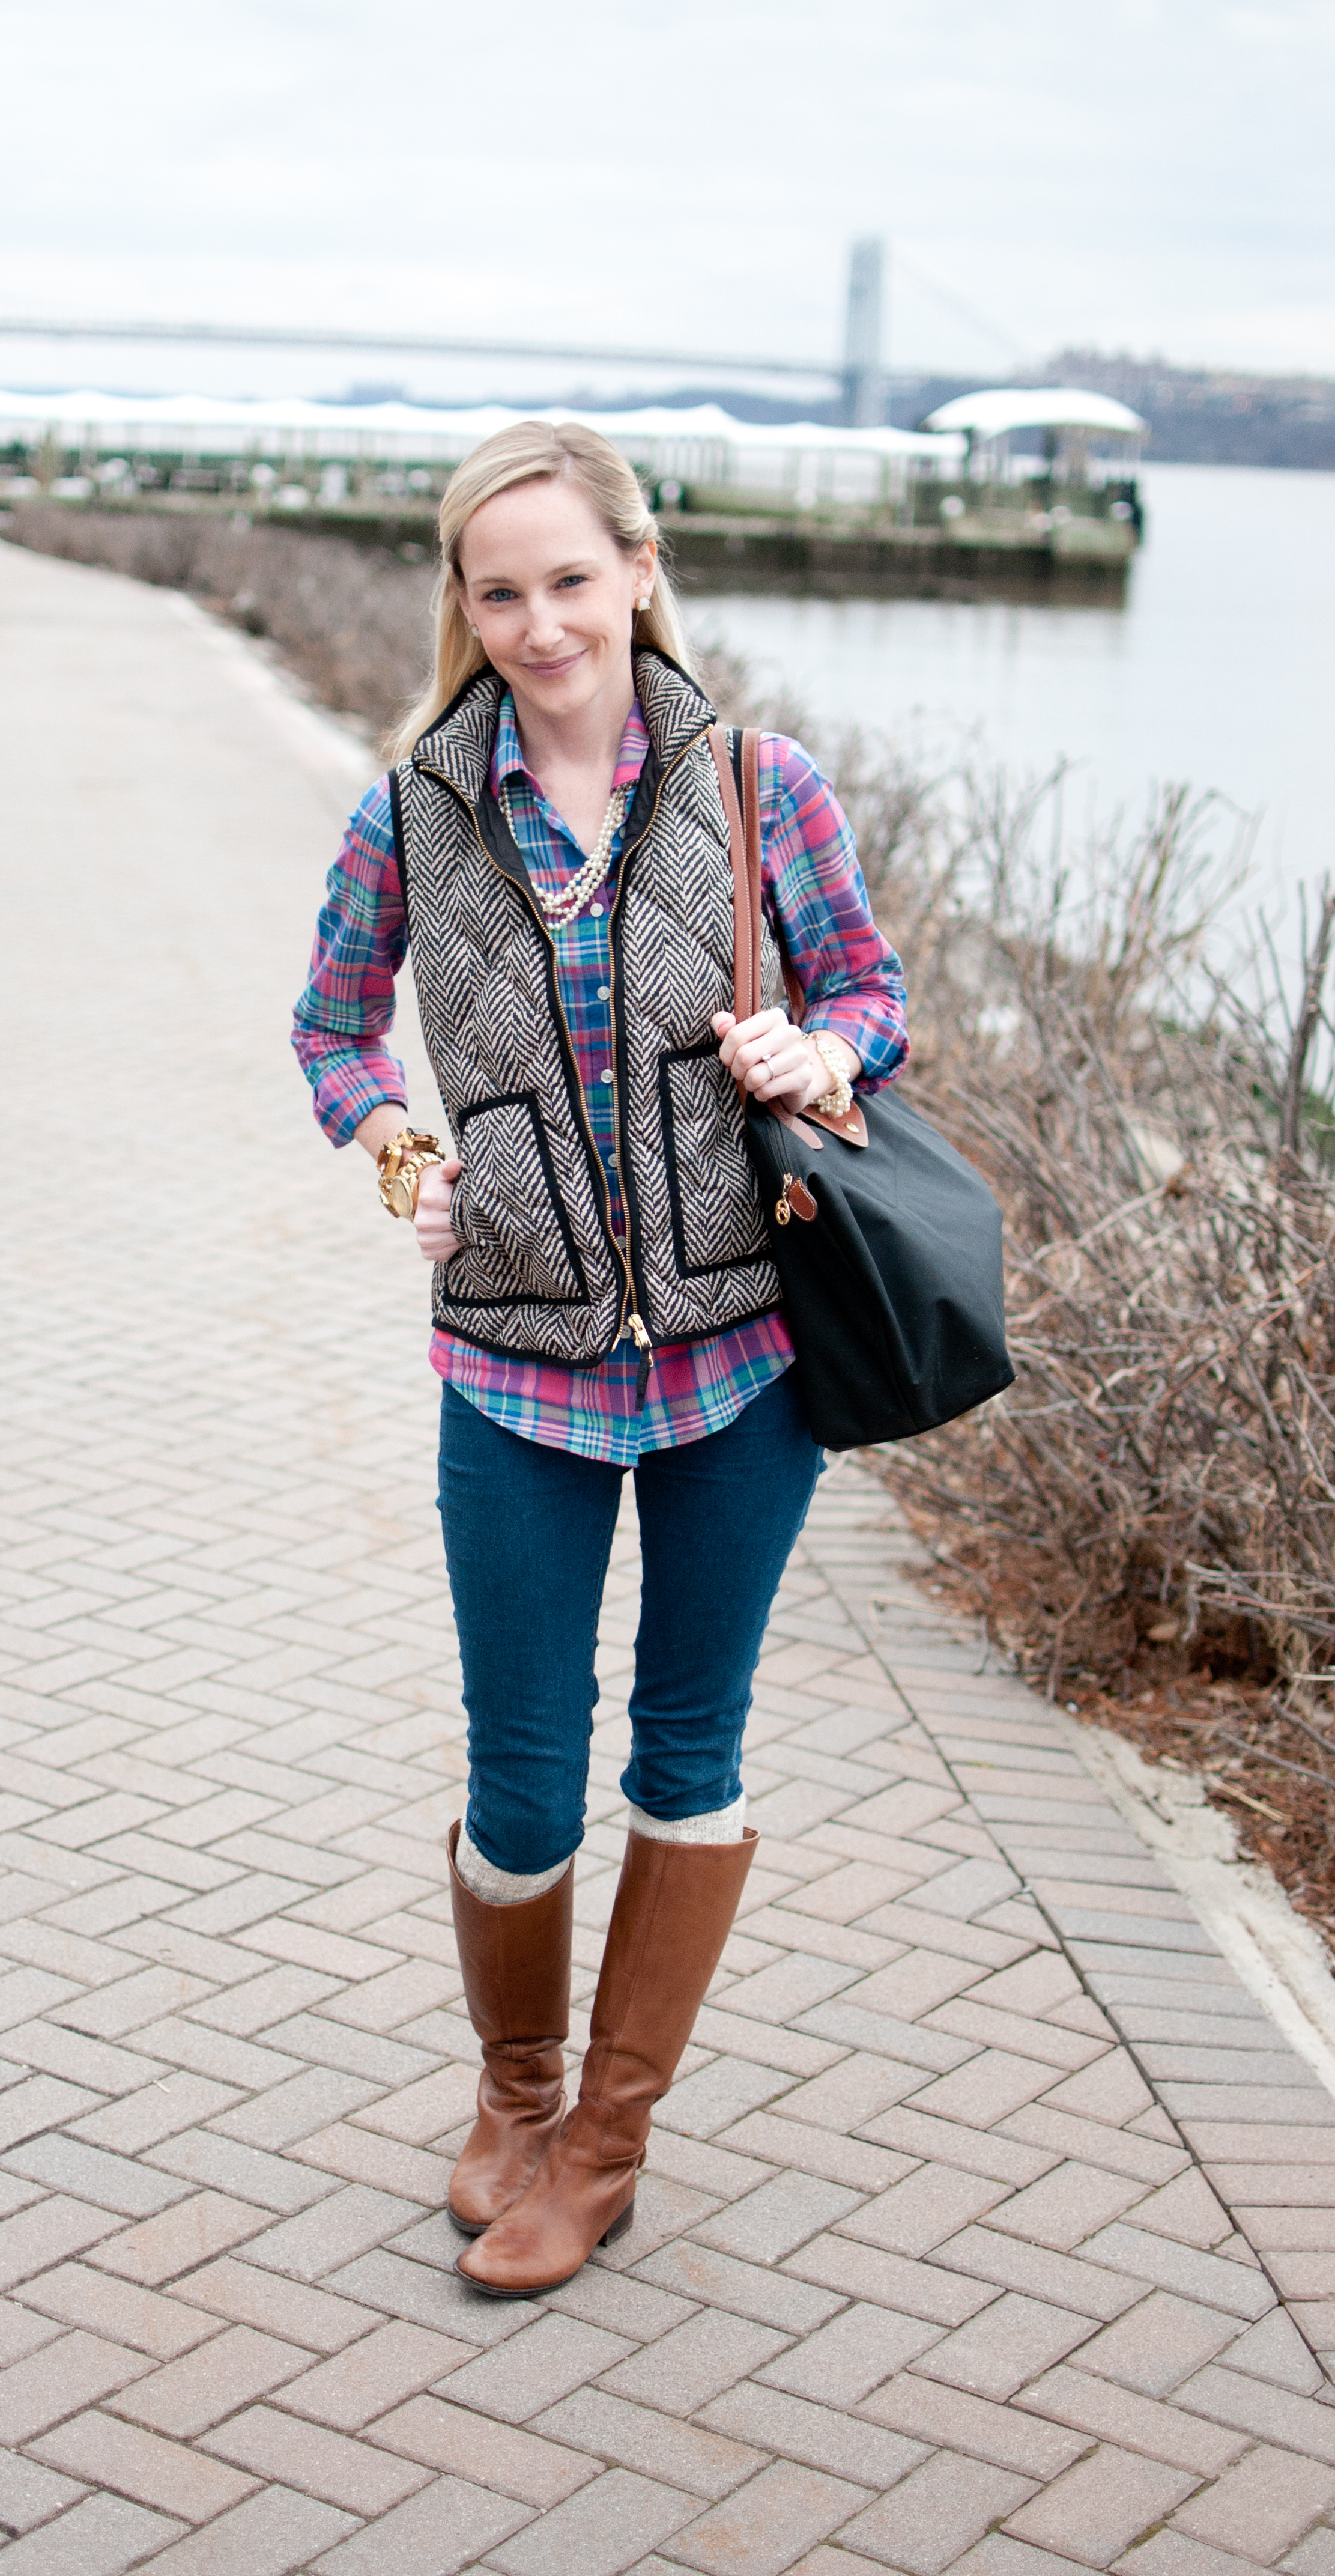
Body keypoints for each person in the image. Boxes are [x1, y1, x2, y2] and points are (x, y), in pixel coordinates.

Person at [292, 420, 907, 2298]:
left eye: (573, 577)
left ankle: (607, 2146)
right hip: (517, 1366)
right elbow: (329, 1033)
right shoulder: (415, 808)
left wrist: (828, 1054)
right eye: (503, 590)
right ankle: (514, 2092)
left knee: (689, 1746)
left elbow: (871, 992)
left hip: (741, 1365)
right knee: (523, 1774)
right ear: (464, 611)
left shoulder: (759, 784)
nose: (543, 621)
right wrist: (407, 1158)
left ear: (638, 571)